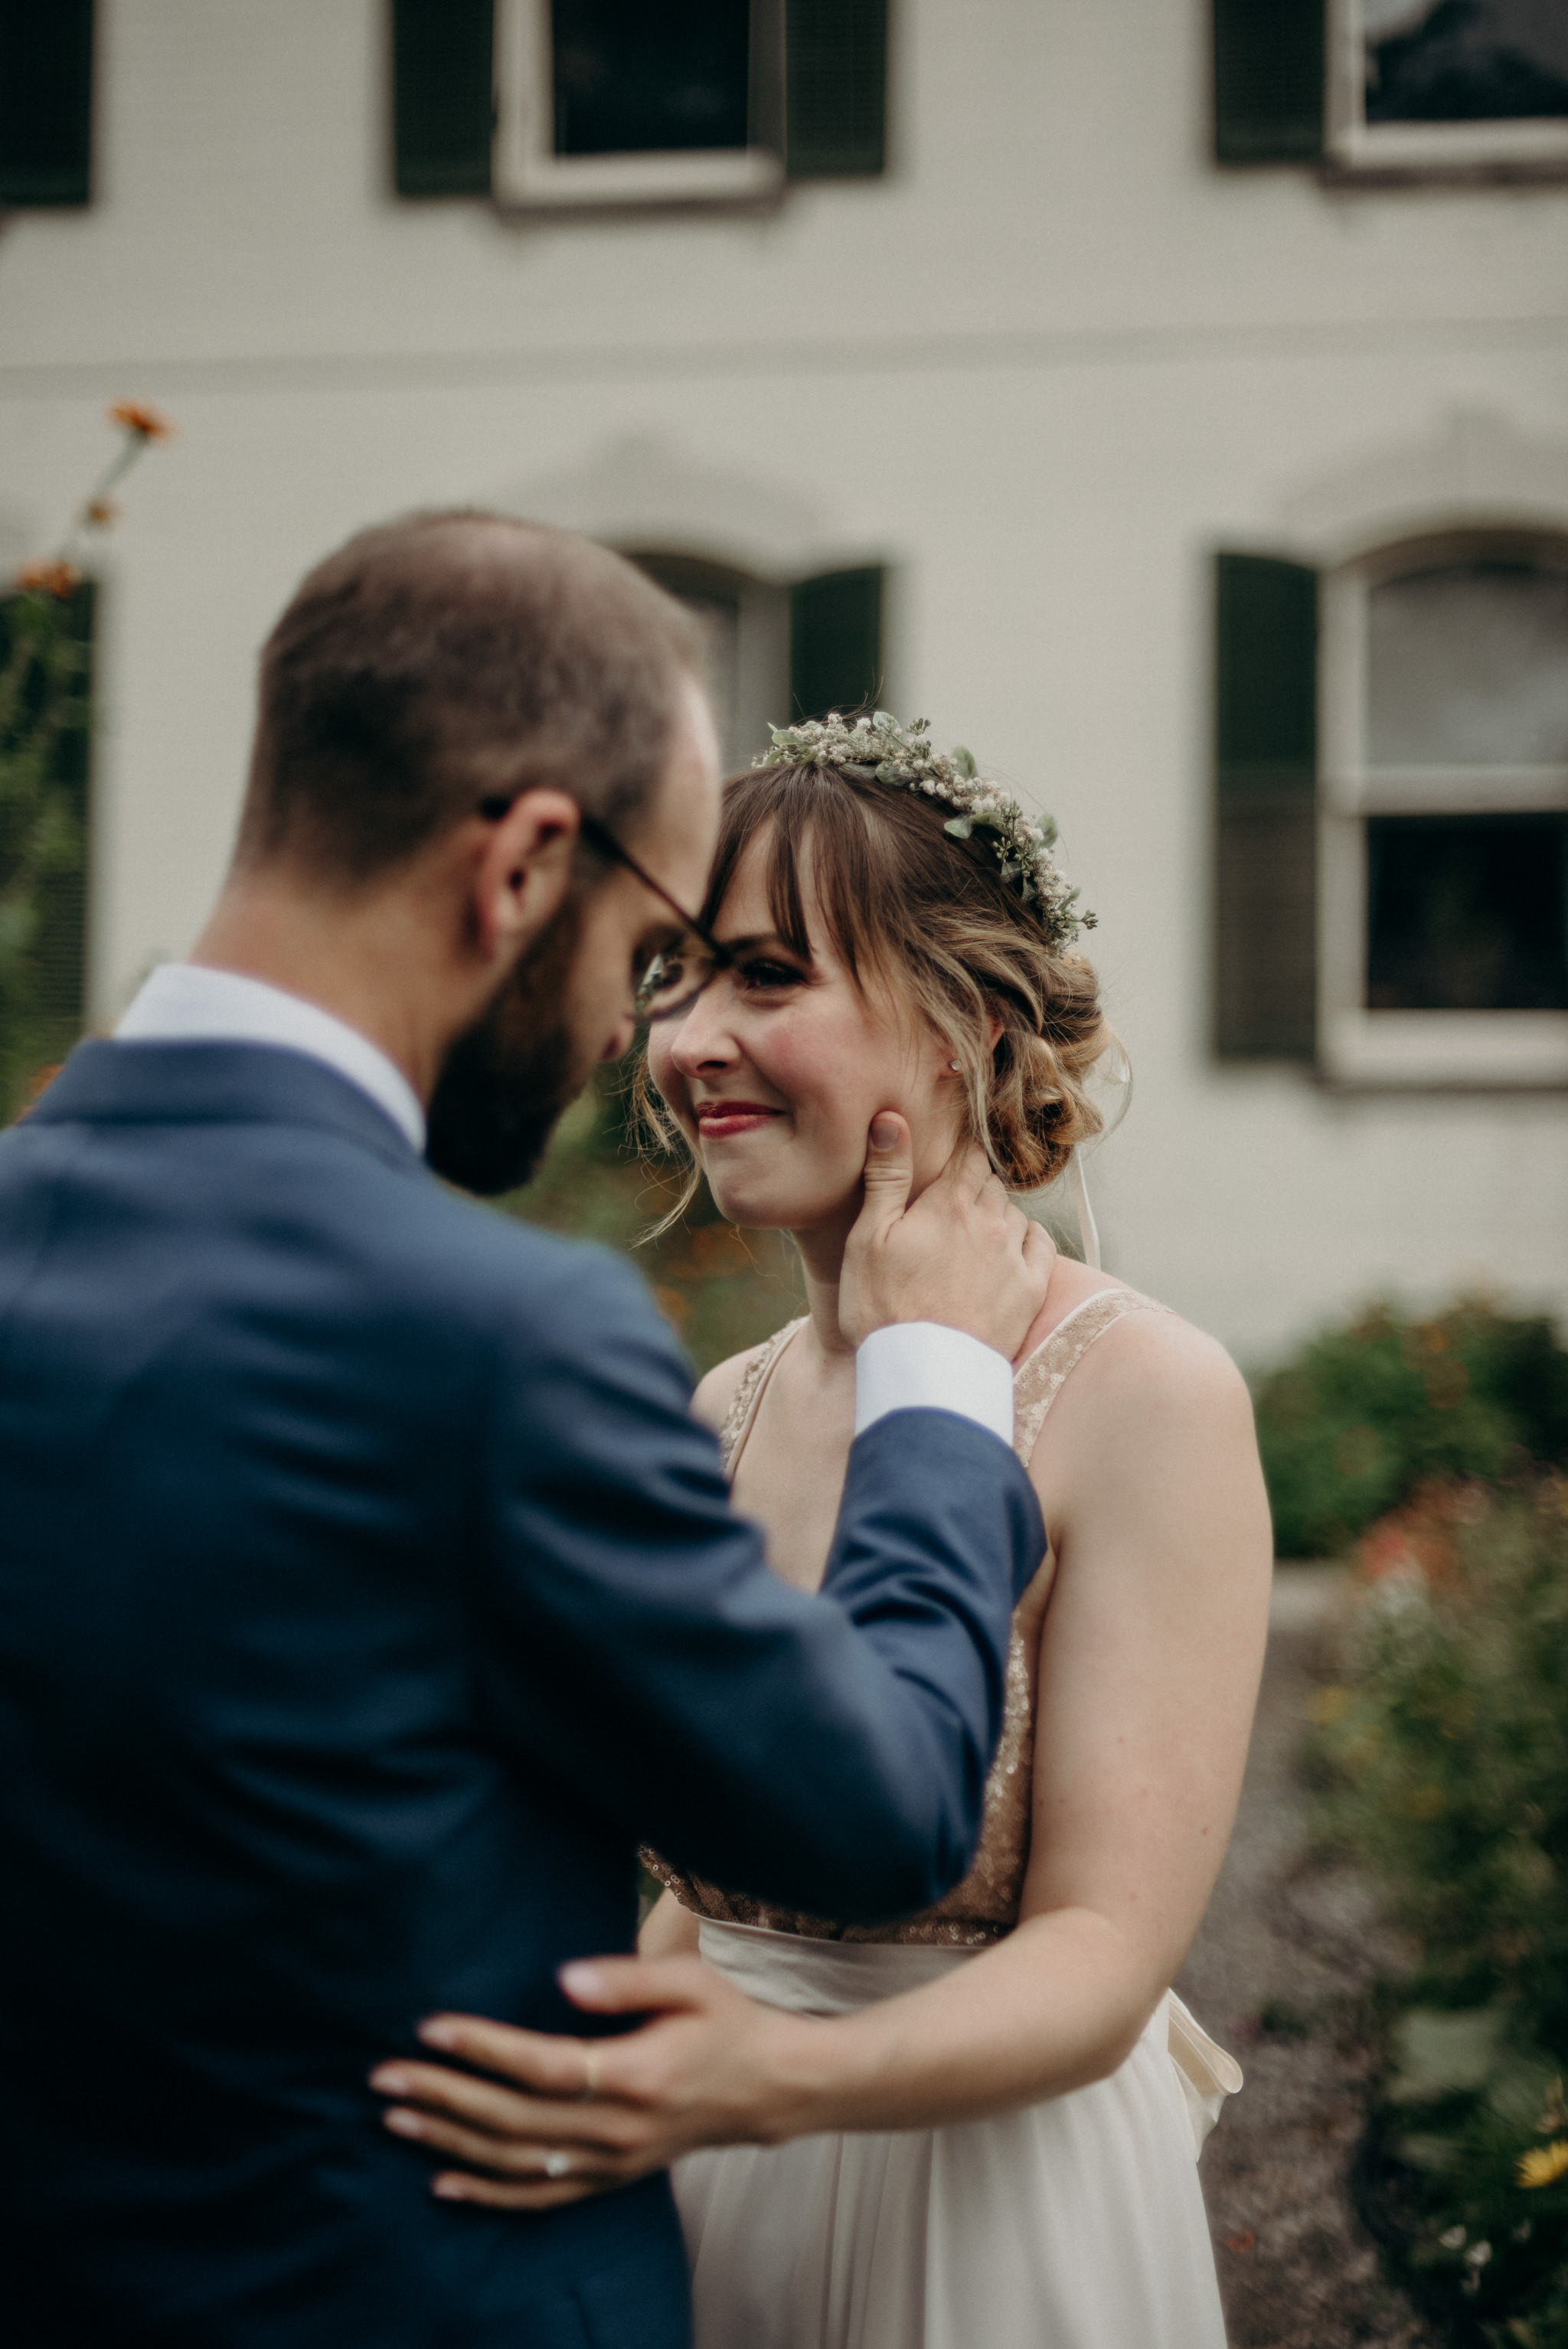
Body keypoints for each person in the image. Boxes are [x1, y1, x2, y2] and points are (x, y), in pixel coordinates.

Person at [0, 540, 1060, 2349]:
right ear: (517, 869)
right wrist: (943, 1384)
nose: (631, 1039)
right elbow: (879, 1810)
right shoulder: (499, 1335)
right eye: (649, 952)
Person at [372, 711, 1274, 2349]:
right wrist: (591, 2086)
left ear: (962, 1020)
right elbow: (727, 1892)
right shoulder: (722, 1403)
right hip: (720, 2188)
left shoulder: (1146, 1393)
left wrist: (776, 2080)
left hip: (987, 2207)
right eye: (670, 978)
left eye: (764, 976)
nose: (689, 1040)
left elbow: (1104, 1948)